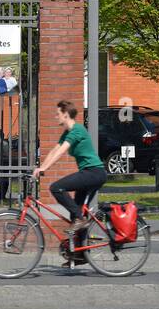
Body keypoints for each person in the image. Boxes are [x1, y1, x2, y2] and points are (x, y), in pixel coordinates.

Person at [32, 100, 106, 237]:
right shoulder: (67, 132)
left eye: (58, 114)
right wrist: (41, 168)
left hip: (94, 172)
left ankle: (80, 219)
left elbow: (61, 152)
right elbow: (54, 150)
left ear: (65, 114)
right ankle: (79, 255)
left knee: (56, 187)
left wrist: (44, 168)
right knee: (76, 213)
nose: (56, 116)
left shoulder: (77, 130)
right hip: (88, 173)